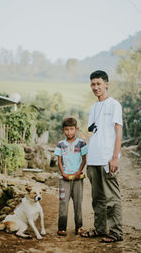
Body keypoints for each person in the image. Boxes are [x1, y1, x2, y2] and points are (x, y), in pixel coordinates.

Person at [81, 70, 123, 243]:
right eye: (93, 84)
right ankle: (99, 229)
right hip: (93, 159)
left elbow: (118, 131)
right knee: (97, 198)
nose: (95, 87)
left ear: (106, 84)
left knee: (112, 198)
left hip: (107, 158)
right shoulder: (94, 107)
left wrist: (114, 157)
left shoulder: (114, 105)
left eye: (99, 84)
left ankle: (116, 232)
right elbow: (93, 131)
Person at [54, 117, 88, 236]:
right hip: (64, 179)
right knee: (63, 203)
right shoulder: (60, 145)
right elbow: (59, 161)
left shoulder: (82, 143)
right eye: (67, 129)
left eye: (72, 129)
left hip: (78, 178)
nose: (69, 132)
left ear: (76, 129)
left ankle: (79, 227)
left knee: (78, 203)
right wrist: (63, 173)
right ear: (63, 130)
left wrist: (79, 172)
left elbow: (84, 159)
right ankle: (62, 227)